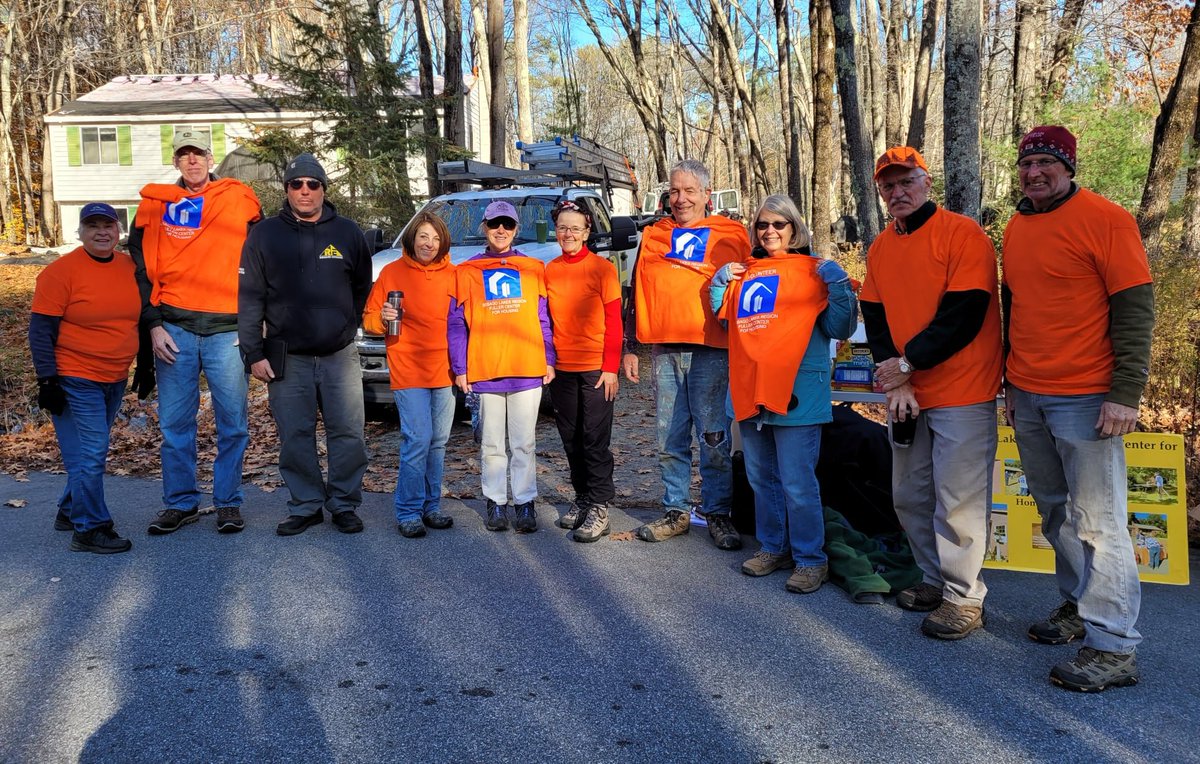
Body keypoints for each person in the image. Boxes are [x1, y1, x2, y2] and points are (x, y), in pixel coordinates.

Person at [1002, 125, 1153, 692]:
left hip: (1088, 396)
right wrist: (1011, 386)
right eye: (1027, 163)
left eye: (1046, 162)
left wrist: (1124, 394)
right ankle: (1078, 605)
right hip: (1029, 391)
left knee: (1099, 522)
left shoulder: (1107, 219)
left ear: (1068, 167)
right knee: (1056, 513)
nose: (1034, 172)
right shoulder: (1018, 226)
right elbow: (1013, 307)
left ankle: (1114, 644)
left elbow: (1135, 310)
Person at [860, 146, 1003, 640]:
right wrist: (897, 376)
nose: (897, 193)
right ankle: (934, 579)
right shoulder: (880, 247)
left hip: (962, 389)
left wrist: (905, 366)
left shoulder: (963, 234)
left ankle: (965, 597)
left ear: (926, 184)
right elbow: (875, 318)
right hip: (907, 392)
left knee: (958, 500)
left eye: (906, 183)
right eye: (888, 186)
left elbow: (962, 316)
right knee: (909, 495)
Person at [709, 195, 857, 593]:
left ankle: (811, 558)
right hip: (751, 387)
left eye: (779, 224)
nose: (770, 231)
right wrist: (720, 283)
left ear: (795, 228)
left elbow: (841, 328)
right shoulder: (747, 272)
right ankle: (774, 547)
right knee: (761, 477)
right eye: (762, 225)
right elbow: (725, 321)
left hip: (797, 392)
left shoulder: (814, 273)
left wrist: (839, 286)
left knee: (797, 480)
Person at [130, 129, 262, 535]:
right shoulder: (154, 206)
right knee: (175, 425)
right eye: (184, 155)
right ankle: (181, 502)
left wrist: (256, 324)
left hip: (227, 330)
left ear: (210, 158)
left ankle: (227, 503)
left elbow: (261, 264)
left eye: (199, 153)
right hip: (175, 328)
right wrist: (153, 326)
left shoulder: (239, 200)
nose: (192, 161)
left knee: (233, 423)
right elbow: (140, 269)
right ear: (175, 162)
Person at [238, 153, 372, 536]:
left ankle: (344, 503)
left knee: (348, 433)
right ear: (287, 190)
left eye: (313, 184)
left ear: (323, 190)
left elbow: (362, 286)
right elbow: (249, 297)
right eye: (297, 184)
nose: (305, 191)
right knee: (294, 434)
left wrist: (348, 324)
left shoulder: (347, 232)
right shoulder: (264, 235)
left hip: (338, 355)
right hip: (287, 356)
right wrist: (253, 353)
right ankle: (306, 504)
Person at [622, 159, 748, 550]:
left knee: (713, 438)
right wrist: (630, 345)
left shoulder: (732, 234)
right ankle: (676, 511)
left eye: (689, 191)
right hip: (665, 352)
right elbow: (635, 289)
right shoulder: (655, 236)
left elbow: (758, 285)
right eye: (675, 191)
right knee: (669, 437)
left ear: (707, 195)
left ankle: (718, 513)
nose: (681, 199)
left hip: (713, 351)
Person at [28, 204, 141, 554]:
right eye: (92, 226)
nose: (101, 232)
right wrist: (48, 381)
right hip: (74, 377)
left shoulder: (128, 267)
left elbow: (138, 318)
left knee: (86, 452)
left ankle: (69, 510)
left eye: (108, 225)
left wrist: (146, 366)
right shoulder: (60, 273)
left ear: (118, 230)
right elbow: (40, 331)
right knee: (91, 453)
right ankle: (90, 528)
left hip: (115, 376)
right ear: (79, 232)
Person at [449, 200, 555, 533]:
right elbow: (456, 323)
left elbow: (543, 318)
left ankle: (524, 503)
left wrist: (549, 358)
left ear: (516, 229)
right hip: (485, 369)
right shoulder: (466, 271)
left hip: (526, 367)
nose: (501, 230)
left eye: (507, 225)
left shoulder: (534, 268)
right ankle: (495, 502)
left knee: (524, 443)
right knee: (492, 444)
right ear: (484, 227)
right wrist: (460, 367)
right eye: (495, 224)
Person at [362, 211, 457, 538]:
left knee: (439, 442)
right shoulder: (392, 272)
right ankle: (408, 511)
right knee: (417, 439)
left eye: (434, 238)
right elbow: (369, 320)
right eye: (422, 237)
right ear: (412, 239)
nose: (429, 244)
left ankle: (432, 507)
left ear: (442, 240)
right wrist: (383, 317)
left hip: (445, 370)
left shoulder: (454, 274)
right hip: (409, 369)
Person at [544, 200, 622, 543]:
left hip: (595, 370)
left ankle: (600, 507)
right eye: (563, 227)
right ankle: (583, 499)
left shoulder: (602, 269)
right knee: (571, 440)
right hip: (563, 369)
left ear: (587, 232)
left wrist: (611, 368)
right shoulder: (550, 270)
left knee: (594, 441)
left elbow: (615, 322)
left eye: (576, 228)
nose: (569, 234)